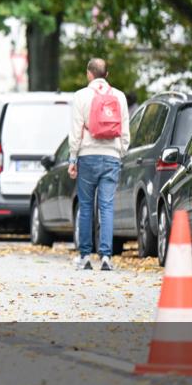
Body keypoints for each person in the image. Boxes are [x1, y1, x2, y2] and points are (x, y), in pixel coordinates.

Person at [68, 58, 131, 271]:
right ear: (107, 74)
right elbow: (125, 132)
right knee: (106, 206)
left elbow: (76, 130)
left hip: (87, 155)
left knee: (86, 206)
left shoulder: (81, 96)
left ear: (89, 74)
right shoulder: (119, 97)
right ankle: (106, 257)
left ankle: (85, 257)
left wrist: (73, 158)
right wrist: (119, 152)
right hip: (111, 156)